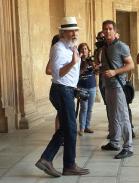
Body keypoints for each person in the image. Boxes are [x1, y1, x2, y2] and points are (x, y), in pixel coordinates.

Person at [35, 16, 89, 177]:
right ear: (63, 32)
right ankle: (68, 165)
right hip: (60, 90)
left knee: (67, 127)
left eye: (75, 30)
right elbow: (58, 73)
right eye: (71, 31)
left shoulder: (71, 47)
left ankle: (48, 159)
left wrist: (75, 87)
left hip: (68, 90)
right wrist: (73, 63)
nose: (74, 33)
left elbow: (71, 74)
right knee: (70, 129)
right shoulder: (58, 48)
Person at [99, 20, 134, 159]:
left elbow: (130, 65)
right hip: (107, 85)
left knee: (123, 116)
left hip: (118, 86)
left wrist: (115, 72)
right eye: (105, 29)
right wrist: (100, 68)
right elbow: (108, 64)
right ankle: (114, 142)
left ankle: (128, 147)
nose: (107, 31)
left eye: (110, 29)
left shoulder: (121, 46)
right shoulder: (104, 47)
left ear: (114, 30)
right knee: (112, 115)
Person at [77, 43, 96, 136]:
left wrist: (94, 65)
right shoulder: (77, 60)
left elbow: (96, 72)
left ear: (88, 50)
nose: (84, 51)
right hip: (82, 87)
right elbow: (75, 74)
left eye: (85, 49)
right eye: (82, 49)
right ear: (79, 51)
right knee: (84, 108)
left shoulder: (91, 60)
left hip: (92, 86)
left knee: (90, 108)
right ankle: (82, 128)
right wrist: (83, 68)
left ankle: (87, 126)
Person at [45, 34, 60, 132]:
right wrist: (61, 72)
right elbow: (48, 70)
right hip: (57, 88)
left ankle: (60, 135)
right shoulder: (54, 56)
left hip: (65, 88)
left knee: (62, 113)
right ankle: (58, 135)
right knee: (61, 112)